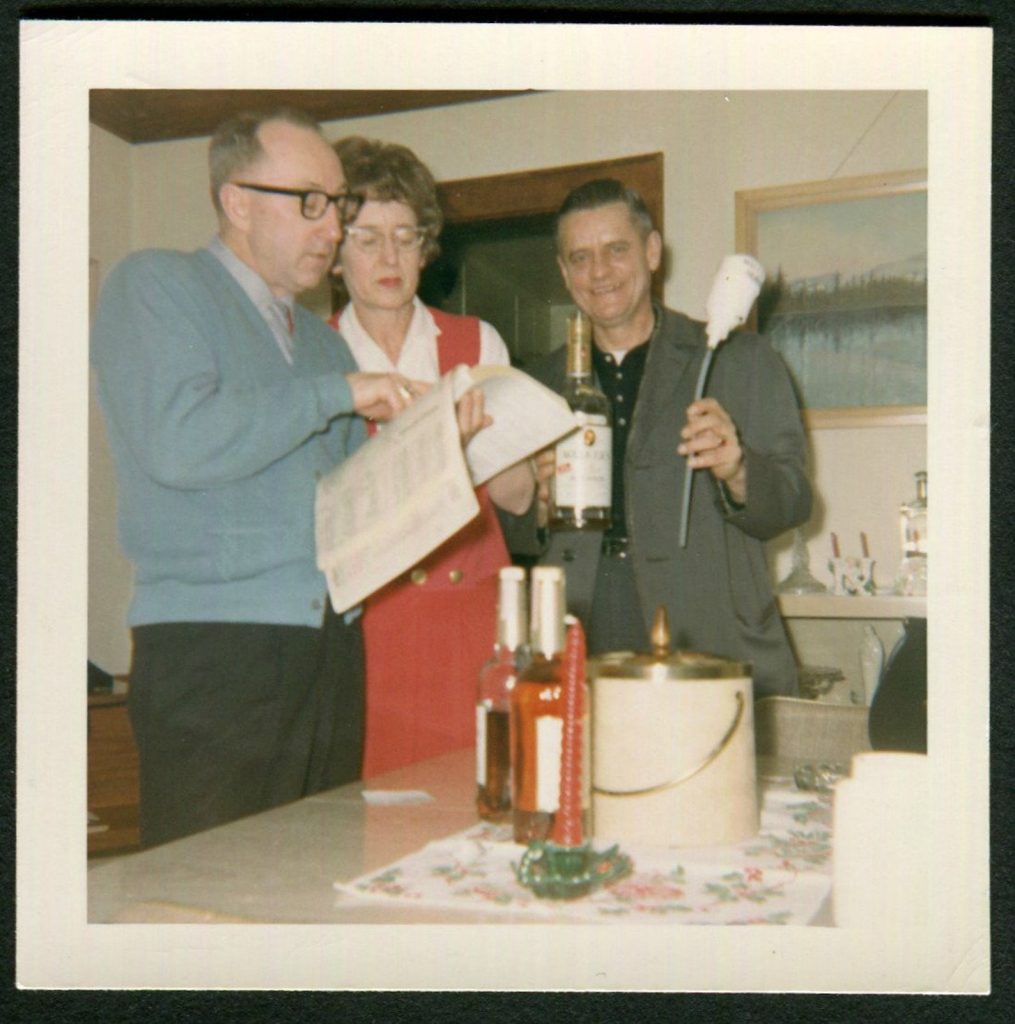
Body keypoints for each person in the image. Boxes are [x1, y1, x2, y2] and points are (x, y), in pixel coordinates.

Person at [90, 109, 434, 847]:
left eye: (336, 206)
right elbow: (179, 441)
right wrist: (338, 394)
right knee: (208, 908)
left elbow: (347, 500)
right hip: (215, 649)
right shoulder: (156, 283)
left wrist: (434, 449)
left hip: (330, 651)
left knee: (317, 893)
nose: (333, 228)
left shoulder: (318, 341)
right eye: (309, 202)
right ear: (236, 202)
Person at [517, 178, 811, 698]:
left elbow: (791, 501)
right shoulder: (535, 386)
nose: (599, 272)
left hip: (707, 630)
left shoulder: (737, 360)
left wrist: (738, 469)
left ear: (652, 252)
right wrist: (533, 504)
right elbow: (510, 536)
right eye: (580, 258)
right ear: (564, 273)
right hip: (581, 628)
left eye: (616, 250)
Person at [327, 136, 535, 777]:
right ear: (334, 253)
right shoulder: (314, 356)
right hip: (367, 636)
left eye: (405, 235)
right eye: (366, 238)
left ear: (426, 245)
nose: (389, 256)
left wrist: (471, 442)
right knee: (373, 826)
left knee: (479, 806)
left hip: (470, 624)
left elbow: (520, 497)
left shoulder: (476, 341)